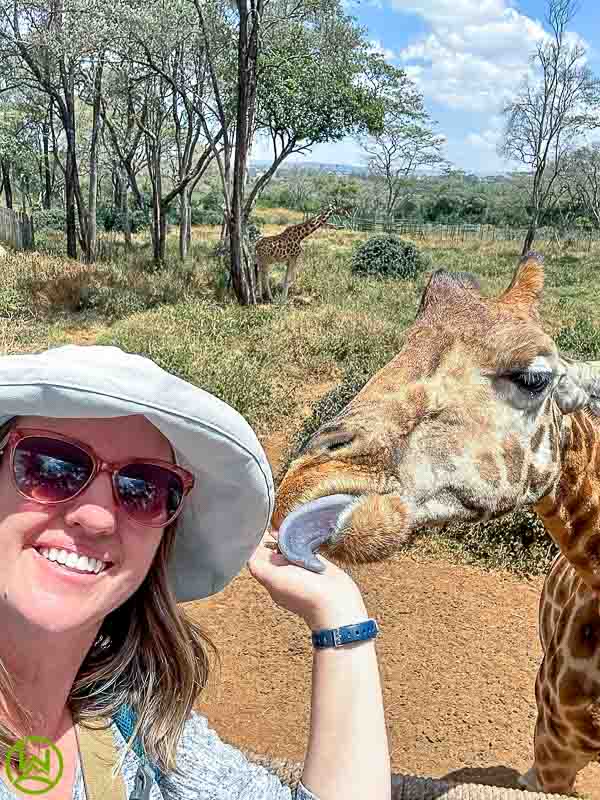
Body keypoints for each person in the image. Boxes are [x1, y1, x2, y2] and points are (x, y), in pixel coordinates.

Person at [0, 344, 390, 800]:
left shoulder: (133, 728)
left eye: (143, 487)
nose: (98, 517)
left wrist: (340, 615)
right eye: (53, 466)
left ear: (163, 535)